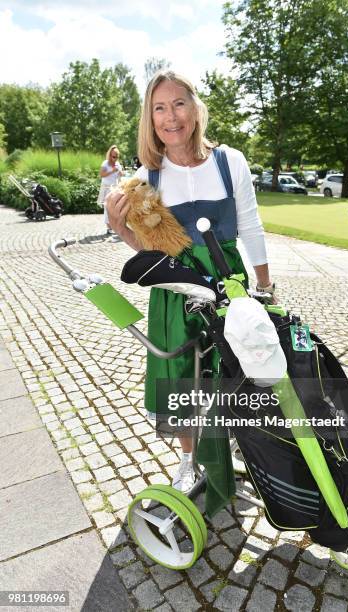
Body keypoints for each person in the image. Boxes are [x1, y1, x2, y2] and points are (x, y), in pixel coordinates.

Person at [106, 71, 276, 493]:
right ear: (150, 118)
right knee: (179, 376)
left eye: (178, 103)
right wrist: (119, 228)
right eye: (159, 108)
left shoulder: (229, 161)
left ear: (194, 107)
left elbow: (251, 225)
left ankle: (239, 446)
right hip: (176, 289)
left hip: (228, 277)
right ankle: (188, 460)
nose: (170, 117)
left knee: (240, 366)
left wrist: (265, 286)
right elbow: (151, 254)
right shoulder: (148, 176)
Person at [97, 145, 124, 234]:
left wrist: (120, 173)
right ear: (110, 155)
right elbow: (101, 174)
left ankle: (114, 225)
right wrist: (112, 171)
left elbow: (120, 176)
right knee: (107, 206)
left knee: (115, 207)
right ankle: (108, 226)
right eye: (113, 156)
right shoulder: (105, 163)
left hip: (114, 188)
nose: (115, 158)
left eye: (117, 157)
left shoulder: (118, 164)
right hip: (106, 187)